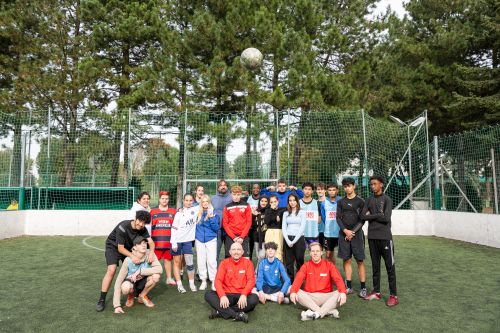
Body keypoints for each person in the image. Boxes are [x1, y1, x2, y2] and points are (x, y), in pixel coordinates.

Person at [96, 210, 155, 312]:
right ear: (135, 218)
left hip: (128, 248)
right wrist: (133, 256)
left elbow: (151, 242)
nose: (141, 224)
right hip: (114, 247)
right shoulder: (123, 226)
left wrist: (151, 253)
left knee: (133, 269)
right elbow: (120, 248)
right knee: (112, 269)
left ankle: (134, 293)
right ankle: (102, 299)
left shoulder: (143, 229)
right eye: (140, 221)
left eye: (144, 223)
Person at [362, 176, 398, 307]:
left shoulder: (387, 199)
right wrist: (378, 214)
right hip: (372, 238)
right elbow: (362, 216)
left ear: (381, 185)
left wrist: (371, 216)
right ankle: (376, 292)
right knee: (375, 267)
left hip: (385, 238)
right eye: (371, 184)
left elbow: (386, 218)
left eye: (375, 184)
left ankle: (393, 295)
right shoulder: (369, 199)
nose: (372, 186)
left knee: (390, 267)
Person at [289, 242, 347, 321]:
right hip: (310, 297)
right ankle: (326, 311)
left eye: (317, 251)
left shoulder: (329, 265)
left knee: (340, 292)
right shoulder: (306, 265)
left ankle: (315, 314)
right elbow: (298, 279)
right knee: (293, 289)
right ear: (310, 253)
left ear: (321, 252)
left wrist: (343, 292)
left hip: (326, 297)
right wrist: (293, 292)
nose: (315, 253)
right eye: (313, 251)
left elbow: (338, 279)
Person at [204, 242, 258, 323]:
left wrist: (244, 294)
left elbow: (251, 280)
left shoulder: (248, 263)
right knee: (208, 294)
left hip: (241, 296)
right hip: (227, 296)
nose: (236, 252)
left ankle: (220, 311)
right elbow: (218, 281)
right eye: (234, 249)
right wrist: (222, 296)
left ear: (242, 252)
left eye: (238, 249)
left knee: (254, 299)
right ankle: (237, 315)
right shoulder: (224, 263)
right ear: (230, 252)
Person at [113, 236, 163, 313]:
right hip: (131, 283)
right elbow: (118, 281)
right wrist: (117, 305)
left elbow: (160, 269)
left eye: (144, 243)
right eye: (140, 244)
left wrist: (140, 271)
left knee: (156, 276)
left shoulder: (150, 254)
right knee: (125, 288)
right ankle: (131, 295)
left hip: (144, 281)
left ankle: (142, 295)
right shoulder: (128, 260)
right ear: (134, 247)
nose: (143, 245)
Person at [337, 178, 367, 298]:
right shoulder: (341, 202)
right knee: (346, 260)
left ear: (354, 186)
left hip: (357, 235)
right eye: (345, 186)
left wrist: (352, 232)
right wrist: (345, 231)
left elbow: (362, 219)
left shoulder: (360, 201)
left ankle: (363, 288)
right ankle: (348, 286)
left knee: (360, 261)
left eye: (349, 186)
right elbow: (338, 218)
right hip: (343, 234)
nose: (347, 188)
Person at [170, 193, 199, 293]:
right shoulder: (178, 213)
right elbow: (174, 229)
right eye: (186, 200)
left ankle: (191, 283)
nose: (188, 202)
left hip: (187, 241)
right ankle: (179, 285)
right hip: (177, 241)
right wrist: (173, 243)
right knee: (177, 263)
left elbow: (206, 203)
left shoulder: (195, 209)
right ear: (183, 201)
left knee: (190, 263)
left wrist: (199, 194)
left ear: (193, 201)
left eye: (190, 200)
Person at [150, 191, 177, 286]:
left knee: (168, 260)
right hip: (156, 243)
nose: (164, 200)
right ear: (159, 199)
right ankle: (149, 278)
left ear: (168, 200)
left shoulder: (174, 211)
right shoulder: (153, 212)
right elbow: (149, 227)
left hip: (168, 242)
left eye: (166, 198)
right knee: (152, 262)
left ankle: (169, 278)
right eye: (162, 198)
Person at [195, 194, 220, 291]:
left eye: (207, 201)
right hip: (200, 240)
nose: (205, 203)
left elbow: (216, 228)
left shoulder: (214, 213)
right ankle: (203, 280)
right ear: (201, 203)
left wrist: (211, 218)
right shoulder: (197, 213)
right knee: (201, 261)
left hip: (211, 239)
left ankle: (213, 281)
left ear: (209, 202)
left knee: (212, 261)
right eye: (203, 201)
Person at [222, 185, 252, 259]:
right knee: (229, 259)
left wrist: (242, 237)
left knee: (245, 259)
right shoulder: (227, 207)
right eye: (234, 194)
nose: (236, 196)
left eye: (238, 194)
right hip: (231, 236)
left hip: (243, 236)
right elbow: (225, 224)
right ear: (231, 194)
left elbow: (249, 222)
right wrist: (233, 237)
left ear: (241, 194)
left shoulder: (246, 205)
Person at [282, 193, 307, 280]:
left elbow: (302, 228)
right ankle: (290, 281)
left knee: (299, 259)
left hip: (299, 239)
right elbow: (284, 228)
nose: (292, 202)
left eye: (294, 200)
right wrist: (288, 241)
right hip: (288, 238)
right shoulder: (285, 213)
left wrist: (293, 241)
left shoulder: (302, 212)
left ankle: (300, 280)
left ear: (297, 201)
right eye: (290, 200)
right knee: (289, 262)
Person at [212, 180, 233, 262]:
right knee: (215, 252)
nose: (223, 187)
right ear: (218, 187)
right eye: (221, 185)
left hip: (229, 229)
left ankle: (229, 272)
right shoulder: (213, 198)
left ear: (227, 187)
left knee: (229, 252)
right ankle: (216, 273)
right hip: (218, 230)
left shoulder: (232, 198)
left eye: (224, 185)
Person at [320, 184, 341, 264]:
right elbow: (323, 217)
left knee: (345, 256)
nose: (332, 192)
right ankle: (329, 273)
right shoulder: (324, 203)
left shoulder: (341, 201)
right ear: (327, 191)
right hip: (328, 233)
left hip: (340, 232)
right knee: (329, 254)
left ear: (337, 191)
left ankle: (334, 273)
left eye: (334, 190)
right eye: (330, 190)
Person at [264, 194, 286, 261]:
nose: (273, 203)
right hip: (269, 232)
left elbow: (288, 207)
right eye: (271, 202)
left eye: (275, 201)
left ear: (278, 201)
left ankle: (278, 268)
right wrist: (271, 209)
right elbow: (266, 221)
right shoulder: (268, 210)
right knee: (269, 250)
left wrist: (279, 213)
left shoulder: (282, 209)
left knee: (278, 251)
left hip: (279, 232)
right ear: (269, 203)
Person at [251, 196, 269, 267]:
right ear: (259, 202)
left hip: (266, 238)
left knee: (262, 255)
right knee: (259, 257)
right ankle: (261, 272)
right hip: (257, 237)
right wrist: (252, 215)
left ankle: (257, 272)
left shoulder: (269, 211)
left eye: (265, 201)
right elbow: (252, 225)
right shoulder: (255, 211)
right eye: (262, 201)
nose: (263, 203)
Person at [246, 183, 261, 259]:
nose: (255, 189)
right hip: (250, 226)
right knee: (250, 246)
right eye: (254, 188)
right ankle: (249, 262)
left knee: (259, 247)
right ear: (252, 189)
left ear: (259, 189)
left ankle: (260, 263)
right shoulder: (248, 199)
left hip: (259, 226)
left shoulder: (262, 199)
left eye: (257, 188)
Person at [316, 183, 327, 249]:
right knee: (318, 251)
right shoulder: (314, 202)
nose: (320, 191)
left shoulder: (329, 202)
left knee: (329, 254)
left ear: (325, 190)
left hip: (327, 231)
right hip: (317, 231)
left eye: (322, 189)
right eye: (318, 189)